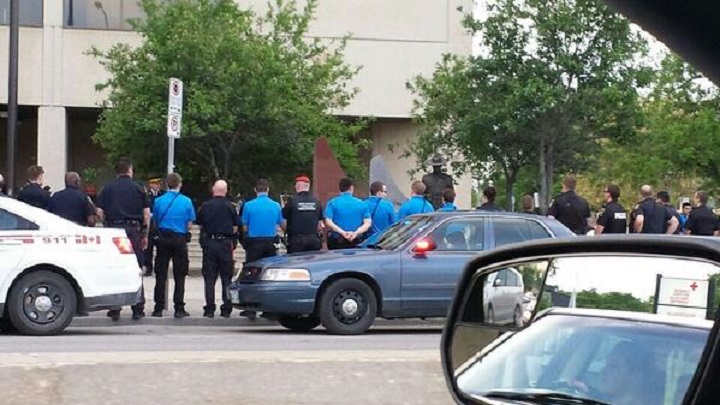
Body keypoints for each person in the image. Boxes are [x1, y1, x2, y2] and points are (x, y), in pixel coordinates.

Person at [96, 158, 150, 320]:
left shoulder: (107, 188)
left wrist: (106, 222)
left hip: (114, 231)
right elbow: (146, 214)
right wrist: (144, 234)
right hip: (133, 231)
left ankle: (115, 307)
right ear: (130, 170)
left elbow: (99, 212)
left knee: (114, 268)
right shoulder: (139, 188)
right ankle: (138, 307)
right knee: (136, 268)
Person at [150, 173, 195, 318]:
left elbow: (155, 220)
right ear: (180, 184)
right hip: (179, 239)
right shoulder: (187, 201)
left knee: (161, 274)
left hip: (163, 238)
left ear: (167, 185)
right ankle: (179, 307)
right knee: (179, 275)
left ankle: (158, 307)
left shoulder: (159, 201)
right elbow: (189, 224)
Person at [197, 180, 238, 318]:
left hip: (210, 243)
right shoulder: (231, 207)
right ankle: (226, 308)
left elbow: (200, 224)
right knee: (226, 277)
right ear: (226, 191)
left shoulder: (205, 206)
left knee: (209, 278)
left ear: (213, 189)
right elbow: (236, 227)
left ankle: (209, 308)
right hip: (226, 244)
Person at [242, 178, 285, 263]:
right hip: (271, 242)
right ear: (268, 189)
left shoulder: (248, 205)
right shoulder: (276, 205)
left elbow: (244, 227)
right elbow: (282, 224)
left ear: (255, 189)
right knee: (269, 267)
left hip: (254, 242)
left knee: (253, 267)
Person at [325, 178, 372, 250]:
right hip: (356, 240)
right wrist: (356, 233)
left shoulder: (332, 203)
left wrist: (342, 232)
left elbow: (328, 222)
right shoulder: (362, 203)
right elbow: (368, 223)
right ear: (351, 188)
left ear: (340, 188)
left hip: (337, 240)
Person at [282, 175, 324, 254]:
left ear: (298, 186)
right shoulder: (317, 202)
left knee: (296, 261)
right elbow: (319, 225)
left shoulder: (292, 202)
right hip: (313, 240)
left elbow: (283, 221)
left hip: (296, 241)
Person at [143, 178, 164, 277]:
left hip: (159, 223)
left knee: (161, 247)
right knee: (148, 249)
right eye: (155, 184)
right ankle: (148, 268)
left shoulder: (162, 194)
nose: (157, 186)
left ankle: (158, 269)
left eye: (158, 184)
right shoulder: (146, 195)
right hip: (150, 222)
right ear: (151, 185)